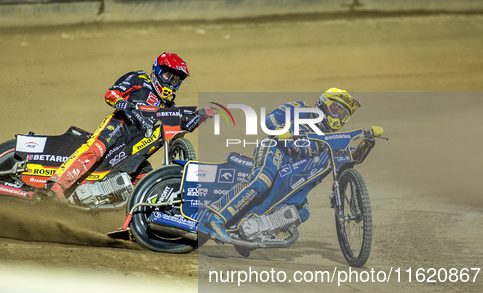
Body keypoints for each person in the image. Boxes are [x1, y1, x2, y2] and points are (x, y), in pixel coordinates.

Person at [198, 88, 384, 242]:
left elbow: (352, 158)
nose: (339, 116)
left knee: (301, 211)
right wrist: (282, 131)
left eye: (344, 114)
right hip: (275, 148)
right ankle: (215, 217)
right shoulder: (300, 108)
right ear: (323, 104)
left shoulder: (330, 141)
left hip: (292, 172)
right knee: (262, 180)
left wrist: (368, 141)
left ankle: (251, 232)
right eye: (336, 109)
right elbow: (269, 119)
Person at [43, 52, 191, 200]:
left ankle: (136, 212)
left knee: (145, 174)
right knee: (96, 148)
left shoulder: (169, 105)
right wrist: (124, 103)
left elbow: (175, 128)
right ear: (157, 71)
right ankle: (56, 186)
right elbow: (110, 94)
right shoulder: (139, 78)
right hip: (119, 124)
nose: (171, 83)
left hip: (136, 140)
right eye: (168, 77)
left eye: (176, 79)